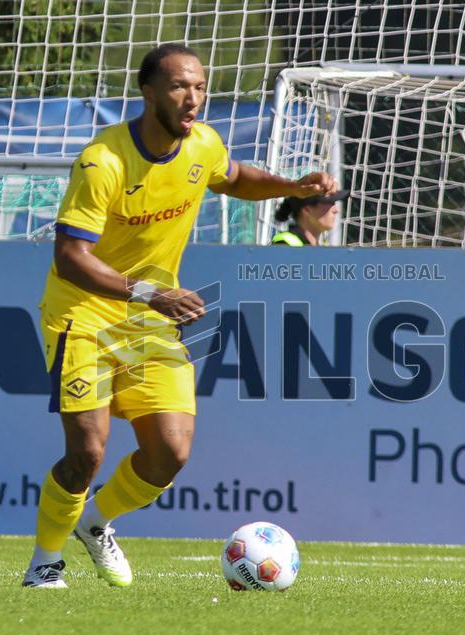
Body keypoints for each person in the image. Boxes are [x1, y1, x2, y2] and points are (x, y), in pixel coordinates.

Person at [23, 43, 338, 588]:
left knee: (169, 452)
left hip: (147, 318)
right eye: (178, 86)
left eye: (199, 86)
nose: (192, 98)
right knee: (87, 452)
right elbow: (71, 257)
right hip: (84, 313)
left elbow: (232, 178)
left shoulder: (202, 144)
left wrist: (292, 186)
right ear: (148, 92)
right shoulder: (104, 161)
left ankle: (95, 523)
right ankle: (44, 563)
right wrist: (150, 292)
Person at [270, 190, 348, 246]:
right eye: (330, 202)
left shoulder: (321, 249)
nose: (336, 210)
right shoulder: (284, 246)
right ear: (307, 210)